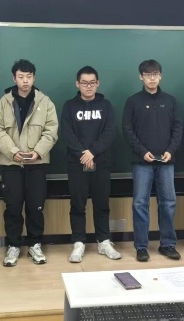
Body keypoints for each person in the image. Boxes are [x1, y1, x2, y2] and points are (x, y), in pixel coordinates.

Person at [0, 59, 58, 267]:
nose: (25, 81)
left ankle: (35, 244)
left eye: (29, 77)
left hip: (37, 164)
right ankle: (13, 245)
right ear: (14, 78)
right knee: (13, 207)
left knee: (36, 207)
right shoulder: (4, 102)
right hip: (11, 164)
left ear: (34, 78)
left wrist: (37, 152)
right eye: (21, 77)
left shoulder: (45, 102)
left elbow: (51, 131)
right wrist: (13, 152)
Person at [122, 60, 183, 262]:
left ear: (160, 76)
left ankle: (168, 245)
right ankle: (141, 247)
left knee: (168, 203)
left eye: (155, 74)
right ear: (141, 77)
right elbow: (127, 130)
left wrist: (171, 151)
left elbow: (178, 128)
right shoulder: (133, 101)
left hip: (166, 160)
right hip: (142, 162)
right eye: (148, 75)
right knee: (140, 203)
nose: (152, 78)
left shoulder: (170, 101)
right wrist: (142, 152)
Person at [62, 66, 120, 263]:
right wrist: (83, 154)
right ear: (77, 84)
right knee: (77, 204)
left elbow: (110, 132)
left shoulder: (106, 105)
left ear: (98, 83)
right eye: (84, 83)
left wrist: (93, 152)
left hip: (101, 163)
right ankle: (79, 243)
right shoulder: (69, 106)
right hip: (76, 163)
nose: (88, 86)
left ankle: (104, 241)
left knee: (102, 203)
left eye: (92, 82)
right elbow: (67, 133)